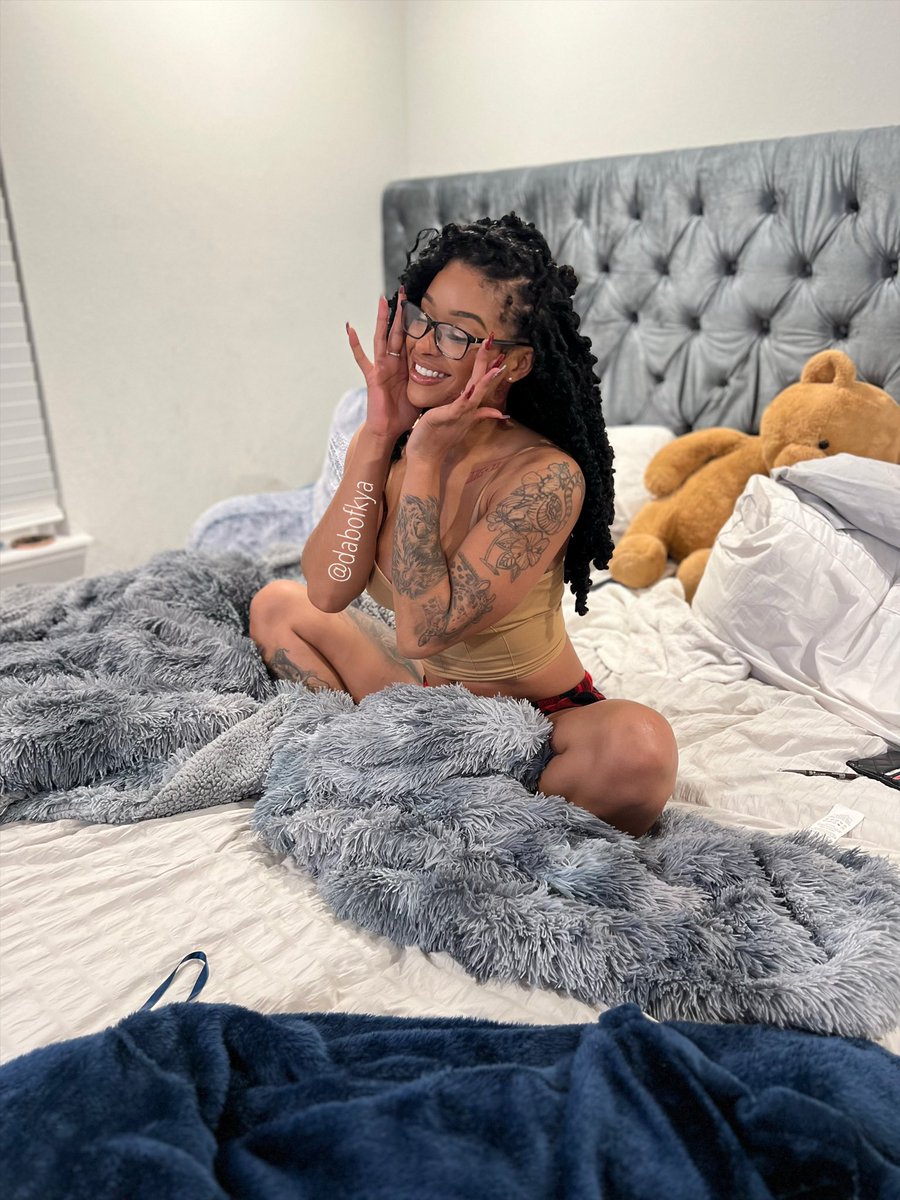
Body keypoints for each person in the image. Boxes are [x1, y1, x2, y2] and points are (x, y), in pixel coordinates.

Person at [250, 215, 677, 835]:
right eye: (422, 318)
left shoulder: (544, 477)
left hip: (539, 728)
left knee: (640, 748)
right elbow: (329, 589)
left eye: (458, 334)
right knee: (278, 604)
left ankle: (471, 806)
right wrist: (379, 434)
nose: (425, 345)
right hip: (430, 711)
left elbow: (422, 630)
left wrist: (425, 460)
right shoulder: (394, 443)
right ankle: (389, 760)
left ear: (515, 363)